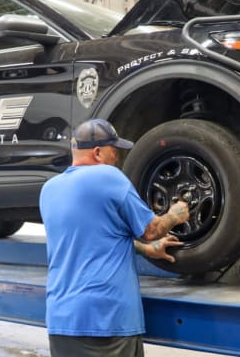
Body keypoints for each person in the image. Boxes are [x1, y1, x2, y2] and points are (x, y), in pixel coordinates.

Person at [39, 118, 190, 357]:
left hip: (61, 319)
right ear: (98, 152)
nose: (117, 158)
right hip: (105, 320)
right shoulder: (109, 177)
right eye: (114, 151)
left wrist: (146, 250)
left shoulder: (49, 189)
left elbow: (93, 236)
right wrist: (175, 214)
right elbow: (151, 230)